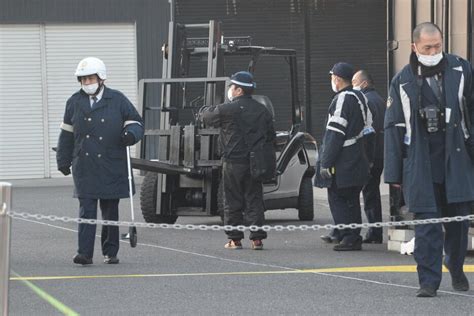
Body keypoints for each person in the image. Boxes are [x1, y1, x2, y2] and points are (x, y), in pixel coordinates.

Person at [384, 22, 472, 297]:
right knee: (426, 228)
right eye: (427, 48)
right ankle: (428, 281)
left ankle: (455, 267)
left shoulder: (461, 69)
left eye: (438, 46)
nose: (434, 52)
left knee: (458, 226)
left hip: (457, 162)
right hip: (420, 166)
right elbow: (394, 127)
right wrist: (394, 175)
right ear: (414, 47)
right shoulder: (403, 81)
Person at [56, 57, 144, 265]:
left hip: (110, 163)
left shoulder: (118, 99)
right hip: (84, 165)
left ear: (101, 78)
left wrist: (131, 134)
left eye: (90, 78)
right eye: (83, 80)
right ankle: (84, 253)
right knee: (87, 210)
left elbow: (136, 121)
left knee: (110, 210)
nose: (87, 83)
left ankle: (110, 251)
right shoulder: (74, 102)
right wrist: (63, 159)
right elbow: (66, 134)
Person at [200, 71, 275, 250]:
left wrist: (204, 109)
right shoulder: (262, 110)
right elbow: (270, 136)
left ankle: (235, 239)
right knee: (254, 199)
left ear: (239, 90)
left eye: (231, 88)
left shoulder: (228, 109)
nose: (230, 91)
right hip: (256, 163)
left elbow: (206, 117)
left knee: (232, 200)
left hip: (233, 162)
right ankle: (257, 239)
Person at [316, 62, 374, 251]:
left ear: (337, 79)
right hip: (358, 156)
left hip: (343, 159)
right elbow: (369, 129)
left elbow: (335, 134)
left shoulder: (342, 99)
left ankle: (349, 237)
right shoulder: (360, 97)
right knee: (351, 198)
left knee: (338, 196)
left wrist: (326, 162)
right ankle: (345, 233)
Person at [352, 69, 386, 244]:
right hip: (380, 154)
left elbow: (368, 131)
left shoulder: (366, 101)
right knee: (371, 192)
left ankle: (372, 232)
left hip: (369, 155)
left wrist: (367, 158)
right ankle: (375, 231)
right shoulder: (379, 100)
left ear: (364, 83)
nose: (353, 85)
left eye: (355, 81)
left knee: (362, 193)